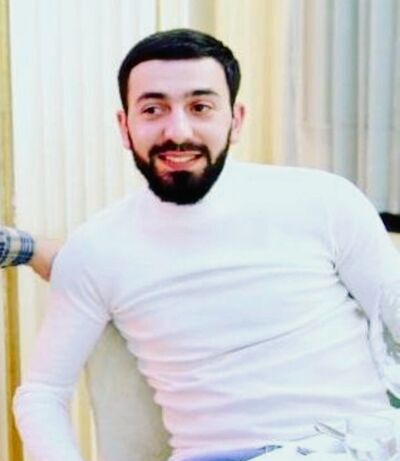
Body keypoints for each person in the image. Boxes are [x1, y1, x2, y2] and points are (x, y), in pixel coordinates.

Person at [12, 28, 400, 461]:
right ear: (125, 126)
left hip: (358, 448)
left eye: (200, 107)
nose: (178, 131)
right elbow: (42, 394)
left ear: (235, 120)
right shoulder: (96, 249)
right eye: (153, 109)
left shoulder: (325, 201)